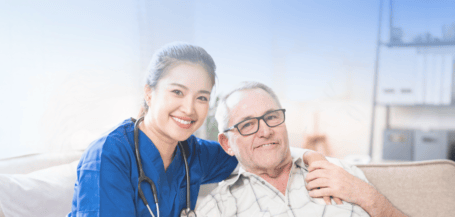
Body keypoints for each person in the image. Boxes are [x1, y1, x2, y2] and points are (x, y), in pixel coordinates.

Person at [67, 43, 328, 217]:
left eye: (202, 97)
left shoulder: (193, 152)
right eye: (177, 92)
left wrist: (310, 157)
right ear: (149, 92)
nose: (189, 109)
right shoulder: (108, 156)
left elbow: (256, 150)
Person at [196, 81, 406, 217]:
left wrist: (367, 196)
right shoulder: (217, 209)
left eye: (271, 117)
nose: (266, 131)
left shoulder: (339, 173)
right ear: (226, 143)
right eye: (248, 124)